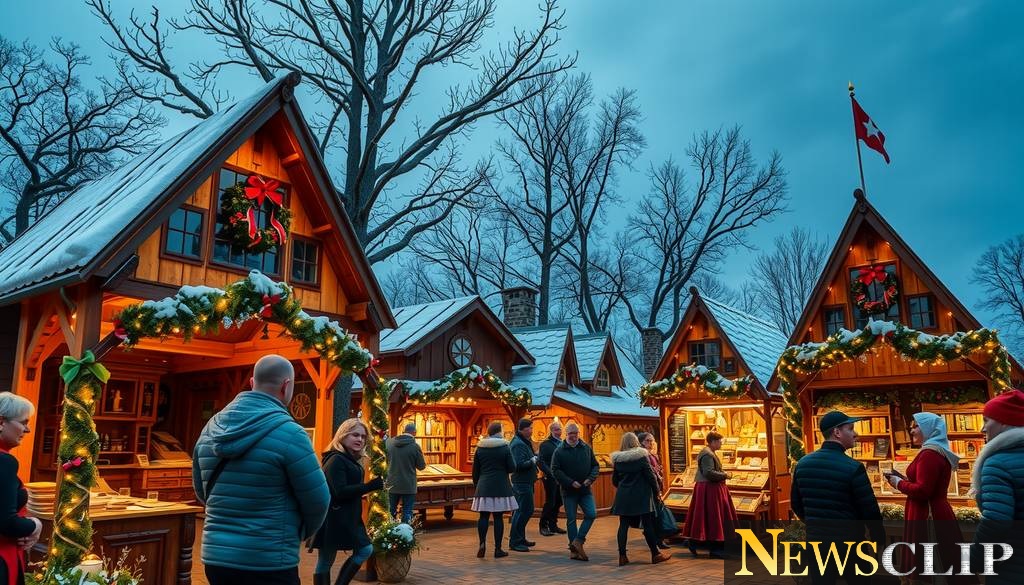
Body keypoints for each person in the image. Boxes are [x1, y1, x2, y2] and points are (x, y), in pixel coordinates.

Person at [193, 355, 330, 585]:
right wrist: (295, 533)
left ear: (251, 382)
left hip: (216, 558)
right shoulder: (291, 434)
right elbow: (319, 500)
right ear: (286, 386)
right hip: (268, 559)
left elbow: (201, 491)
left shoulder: (210, 429)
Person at [790, 411, 883, 585]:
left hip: (817, 540)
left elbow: (796, 503)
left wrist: (814, 521)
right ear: (837, 432)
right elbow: (868, 508)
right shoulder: (853, 467)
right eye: (851, 429)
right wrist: (878, 535)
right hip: (850, 542)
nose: (855, 433)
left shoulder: (803, 464)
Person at [886, 412, 975, 585]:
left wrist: (898, 483)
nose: (911, 430)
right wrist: (904, 480)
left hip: (928, 514)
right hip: (930, 510)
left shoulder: (929, 454)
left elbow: (923, 491)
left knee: (932, 561)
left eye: (916, 426)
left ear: (929, 429)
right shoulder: (933, 451)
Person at [309, 418, 384, 585]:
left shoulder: (347, 458)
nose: (360, 439)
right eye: (355, 435)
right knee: (328, 560)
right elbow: (339, 491)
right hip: (335, 518)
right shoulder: (336, 459)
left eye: (363, 437)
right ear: (343, 436)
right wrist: (369, 486)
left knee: (362, 550)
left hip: (345, 517)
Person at [970, 388, 1024, 583]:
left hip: (1012, 566)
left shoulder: (997, 463)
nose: (982, 429)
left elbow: (996, 521)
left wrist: (975, 560)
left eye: (986, 421)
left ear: (1004, 422)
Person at [611, 432, 673, 567]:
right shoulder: (641, 457)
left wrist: (624, 487)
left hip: (623, 497)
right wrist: (657, 492)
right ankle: (655, 554)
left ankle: (622, 556)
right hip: (642, 496)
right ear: (636, 442)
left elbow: (615, 481)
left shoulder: (617, 460)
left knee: (623, 525)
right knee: (648, 525)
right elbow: (651, 477)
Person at [0, 393, 41, 585]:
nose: (28, 429)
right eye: (23, 422)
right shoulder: (4, 461)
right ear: (1, 422)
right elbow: (6, 522)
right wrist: (35, 525)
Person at [682, 431, 739, 559]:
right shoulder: (708, 454)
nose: (721, 444)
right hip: (710, 489)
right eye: (719, 441)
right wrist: (725, 475)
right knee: (714, 516)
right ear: (713, 441)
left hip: (710, 488)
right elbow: (709, 472)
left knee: (709, 516)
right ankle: (714, 548)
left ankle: (696, 542)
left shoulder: (708, 452)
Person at [550, 422, 599, 561]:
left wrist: (590, 479)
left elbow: (595, 465)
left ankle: (578, 541)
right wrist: (570, 482)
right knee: (571, 520)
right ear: (566, 434)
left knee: (591, 514)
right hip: (568, 491)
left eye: (575, 433)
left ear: (579, 433)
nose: (573, 436)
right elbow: (555, 470)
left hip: (585, 490)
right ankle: (573, 550)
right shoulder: (559, 451)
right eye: (570, 433)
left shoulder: (586, 448)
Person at [471, 421, 518, 559]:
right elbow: (512, 467)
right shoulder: (505, 447)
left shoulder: (480, 447)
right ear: (499, 431)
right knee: (498, 517)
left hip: (483, 485)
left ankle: (482, 543)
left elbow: (475, 471)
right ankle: (498, 549)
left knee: (483, 516)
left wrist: (477, 486)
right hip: (500, 486)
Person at [508, 417, 539, 552]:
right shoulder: (518, 444)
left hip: (526, 481)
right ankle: (515, 541)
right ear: (523, 429)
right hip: (521, 482)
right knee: (523, 511)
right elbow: (518, 465)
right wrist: (533, 460)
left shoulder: (523, 442)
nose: (532, 430)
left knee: (524, 510)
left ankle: (521, 538)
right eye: (530, 428)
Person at [386, 422, 426, 524]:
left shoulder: (389, 443)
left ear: (403, 431)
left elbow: (385, 461)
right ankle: (405, 535)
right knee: (407, 511)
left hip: (391, 483)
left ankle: (390, 531)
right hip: (408, 485)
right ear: (414, 432)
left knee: (391, 511)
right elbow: (421, 466)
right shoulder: (415, 446)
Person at [639, 431, 671, 549]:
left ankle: (658, 539)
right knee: (654, 517)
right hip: (650, 490)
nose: (651, 443)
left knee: (657, 516)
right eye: (648, 440)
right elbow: (650, 473)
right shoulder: (643, 455)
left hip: (656, 487)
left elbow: (656, 471)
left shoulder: (653, 455)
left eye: (652, 440)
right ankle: (657, 540)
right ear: (641, 442)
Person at [537, 421, 566, 536]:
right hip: (550, 477)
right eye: (556, 430)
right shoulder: (545, 444)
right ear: (551, 431)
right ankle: (543, 525)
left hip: (562, 477)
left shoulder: (563, 443)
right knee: (551, 501)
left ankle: (553, 525)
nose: (559, 432)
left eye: (560, 429)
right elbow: (540, 461)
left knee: (559, 501)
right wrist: (550, 473)